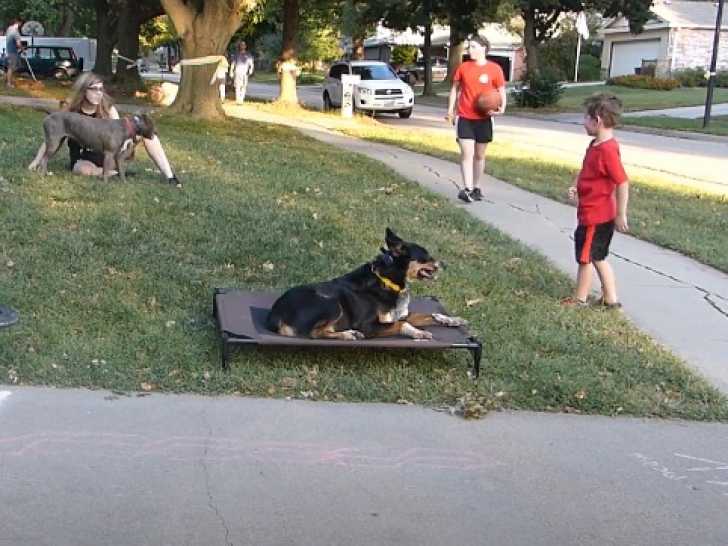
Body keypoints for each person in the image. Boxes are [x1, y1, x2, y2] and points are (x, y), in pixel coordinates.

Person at [28, 72, 181, 187]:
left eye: (101, 89)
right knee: (83, 169)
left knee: (150, 137)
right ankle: (111, 174)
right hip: (84, 158)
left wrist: (130, 143)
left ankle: (170, 176)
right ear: (84, 90)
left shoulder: (108, 109)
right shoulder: (71, 111)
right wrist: (36, 160)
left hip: (107, 154)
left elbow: (119, 135)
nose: (98, 93)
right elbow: (52, 138)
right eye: (94, 89)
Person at [563, 93, 630, 309]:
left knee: (586, 258)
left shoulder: (607, 150)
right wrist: (576, 185)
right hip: (590, 212)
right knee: (597, 257)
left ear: (597, 120)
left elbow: (622, 182)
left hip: (596, 216)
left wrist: (621, 214)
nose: (583, 122)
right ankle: (611, 300)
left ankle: (580, 299)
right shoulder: (595, 145)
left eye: (586, 118)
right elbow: (586, 170)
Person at [446, 36, 506, 203]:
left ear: (483, 48)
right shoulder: (464, 67)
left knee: (479, 155)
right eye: (469, 47)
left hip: (484, 119)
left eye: (473, 46)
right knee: (467, 153)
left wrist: (502, 108)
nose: (469, 50)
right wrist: (450, 110)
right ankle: (467, 188)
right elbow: (455, 89)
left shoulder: (495, 69)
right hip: (465, 116)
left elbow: (501, 91)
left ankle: (477, 187)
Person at [229, 41, 254, 105]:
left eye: (243, 45)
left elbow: (251, 63)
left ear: (245, 46)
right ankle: (238, 100)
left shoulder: (248, 55)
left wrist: (251, 70)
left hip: (245, 72)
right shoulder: (236, 54)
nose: (242, 46)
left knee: (244, 86)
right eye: (241, 45)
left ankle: (241, 99)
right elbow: (233, 63)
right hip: (237, 71)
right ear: (239, 46)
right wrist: (231, 71)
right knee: (237, 86)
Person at [4, 18, 23, 88]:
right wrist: (23, 49)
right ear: (18, 23)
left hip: (9, 51)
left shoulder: (9, 28)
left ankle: (7, 79)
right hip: (13, 52)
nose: (21, 25)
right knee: (11, 68)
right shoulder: (16, 32)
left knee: (15, 66)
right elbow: (18, 44)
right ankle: (8, 83)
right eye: (21, 24)